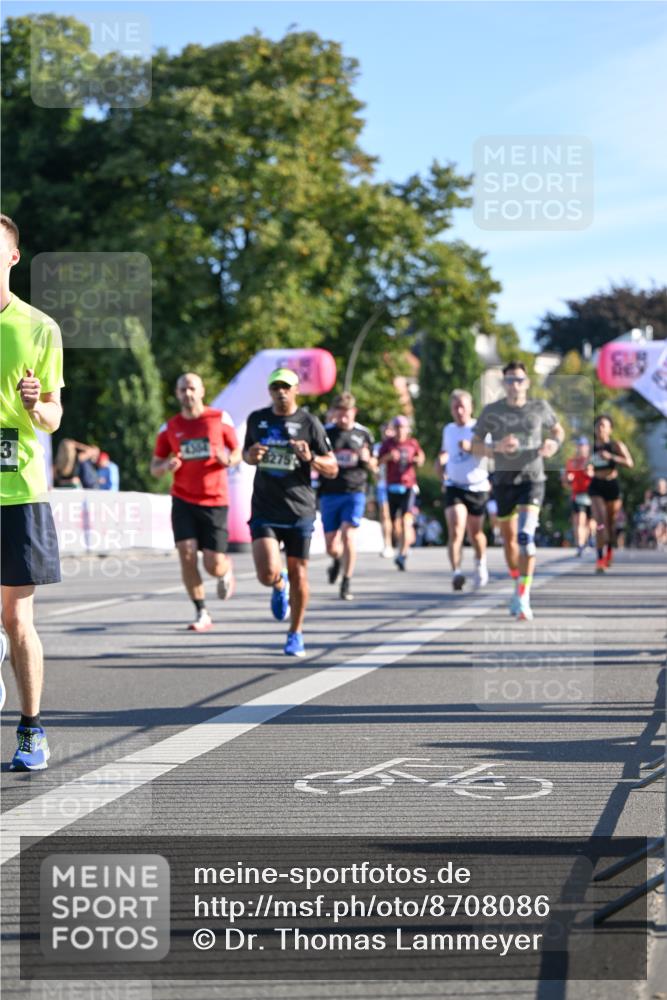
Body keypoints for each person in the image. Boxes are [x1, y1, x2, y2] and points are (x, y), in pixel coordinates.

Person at [0, 213, 64, 769]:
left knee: (18, 619)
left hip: (18, 490)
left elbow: (53, 417)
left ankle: (31, 729)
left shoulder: (39, 327)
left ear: (13, 257)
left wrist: (34, 404)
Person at [243, 368, 337, 656]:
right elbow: (246, 454)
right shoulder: (257, 419)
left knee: (300, 574)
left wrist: (311, 458)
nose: (281, 392)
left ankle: (295, 633)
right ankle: (277, 583)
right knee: (266, 572)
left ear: (296, 390)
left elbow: (332, 467)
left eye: (286, 387)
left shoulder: (309, 422)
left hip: (299, 509)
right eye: (276, 388)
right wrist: (251, 456)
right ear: (270, 391)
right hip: (265, 507)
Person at [472, 360, 565, 621]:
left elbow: (558, 430)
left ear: (527, 383)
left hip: (532, 478)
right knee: (509, 541)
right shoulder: (492, 411)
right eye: (510, 380)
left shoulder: (539, 407)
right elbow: (474, 446)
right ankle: (517, 582)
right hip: (504, 481)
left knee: (525, 537)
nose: (515, 385)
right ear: (504, 383)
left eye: (519, 380)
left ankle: (524, 596)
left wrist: (554, 443)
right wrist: (496, 448)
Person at [151, 372, 241, 631]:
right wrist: (166, 466)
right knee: (187, 554)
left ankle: (225, 570)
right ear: (177, 394)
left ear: (202, 391)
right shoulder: (170, 427)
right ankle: (202, 611)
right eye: (182, 389)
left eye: (191, 388)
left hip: (215, 499)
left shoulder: (219, 418)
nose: (187, 393)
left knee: (213, 564)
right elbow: (154, 467)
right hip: (183, 499)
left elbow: (237, 451)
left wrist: (229, 460)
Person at [321, 392, 375, 601]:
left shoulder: (363, 434)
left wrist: (367, 459)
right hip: (329, 492)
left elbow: (374, 465)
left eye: (347, 413)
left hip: (355, 491)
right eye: (339, 413)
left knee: (349, 535)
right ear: (334, 413)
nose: (343, 418)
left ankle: (346, 581)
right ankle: (337, 560)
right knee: (331, 546)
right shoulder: (325, 433)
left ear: (354, 412)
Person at [439, 389, 490, 591]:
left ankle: (480, 562)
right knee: (456, 528)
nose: (459, 411)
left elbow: (491, 453)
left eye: (462, 407)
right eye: (455, 407)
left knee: (475, 533)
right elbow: (446, 451)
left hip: (477, 487)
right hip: (454, 485)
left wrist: (472, 448)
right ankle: (457, 572)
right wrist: (440, 462)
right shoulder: (448, 429)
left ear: (470, 408)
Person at [378, 416, 425, 571]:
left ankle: (403, 554)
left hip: (408, 486)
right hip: (392, 486)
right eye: (397, 427)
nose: (399, 430)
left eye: (402, 427)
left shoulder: (412, 443)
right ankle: (400, 545)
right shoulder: (388, 444)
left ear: (407, 429)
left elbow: (421, 457)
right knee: (394, 523)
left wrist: (418, 460)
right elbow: (377, 461)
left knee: (405, 520)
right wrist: (388, 457)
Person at [589, 414, 633, 573]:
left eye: (603, 425)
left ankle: (608, 551)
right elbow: (584, 464)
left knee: (610, 524)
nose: (600, 428)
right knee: (600, 522)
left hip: (612, 485)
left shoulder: (615, 445)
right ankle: (599, 559)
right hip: (596, 485)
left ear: (610, 429)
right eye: (597, 425)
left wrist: (612, 457)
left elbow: (630, 463)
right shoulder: (591, 447)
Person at [561, 436, 595, 556]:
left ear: (587, 447)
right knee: (579, 520)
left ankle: (590, 539)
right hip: (578, 495)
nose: (580, 448)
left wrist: (591, 474)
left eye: (582, 445)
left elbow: (599, 477)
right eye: (578, 446)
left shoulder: (592, 460)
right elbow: (565, 482)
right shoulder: (571, 462)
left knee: (590, 522)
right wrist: (567, 479)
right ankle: (580, 545)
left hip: (592, 495)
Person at [373, 422, 395, 558]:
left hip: (400, 486)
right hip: (383, 485)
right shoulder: (377, 447)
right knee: (385, 514)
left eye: (390, 430)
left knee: (399, 519)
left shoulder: (400, 445)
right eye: (384, 430)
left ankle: (403, 545)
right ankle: (388, 545)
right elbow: (374, 464)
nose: (387, 433)